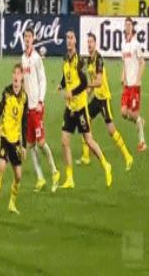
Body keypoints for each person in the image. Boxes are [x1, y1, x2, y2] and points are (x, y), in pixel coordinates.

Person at [58, 31, 112, 189]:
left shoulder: (79, 61)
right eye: (67, 38)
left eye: (71, 38)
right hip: (70, 108)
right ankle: (69, 178)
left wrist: (72, 92)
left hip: (81, 107)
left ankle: (106, 164)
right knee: (64, 141)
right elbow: (67, 76)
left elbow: (83, 83)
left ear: (75, 41)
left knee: (89, 140)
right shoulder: (65, 59)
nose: (69, 41)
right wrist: (61, 84)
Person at [83, 33, 134, 170]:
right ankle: (86, 156)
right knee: (85, 121)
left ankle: (128, 156)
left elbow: (99, 82)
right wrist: (86, 93)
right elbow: (93, 82)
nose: (89, 44)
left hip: (104, 100)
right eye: (88, 42)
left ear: (95, 44)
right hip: (96, 98)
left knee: (111, 131)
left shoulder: (99, 59)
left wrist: (85, 85)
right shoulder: (89, 61)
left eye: (91, 42)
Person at [21, 28, 60, 192]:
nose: (27, 39)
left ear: (33, 39)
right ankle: (40, 178)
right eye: (25, 36)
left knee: (41, 142)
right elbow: (24, 82)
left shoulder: (36, 58)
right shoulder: (23, 58)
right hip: (27, 108)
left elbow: (43, 80)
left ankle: (55, 172)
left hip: (36, 107)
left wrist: (41, 101)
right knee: (31, 144)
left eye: (29, 36)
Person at [0, 63, 28, 216]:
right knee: (1, 168)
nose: (15, 76)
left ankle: (12, 203)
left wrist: (24, 146)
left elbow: (24, 122)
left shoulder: (24, 97)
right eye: (14, 73)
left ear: (22, 77)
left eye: (18, 73)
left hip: (15, 141)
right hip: (5, 137)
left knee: (18, 175)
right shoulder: (7, 93)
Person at [121, 17, 147, 152]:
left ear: (132, 27)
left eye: (129, 25)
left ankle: (142, 142)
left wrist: (137, 80)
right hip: (127, 85)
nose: (127, 27)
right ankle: (140, 121)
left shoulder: (136, 44)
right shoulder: (123, 45)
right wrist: (123, 76)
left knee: (132, 113)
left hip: (135, 86)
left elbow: (142, 63)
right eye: (126, 25)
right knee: (123, 113)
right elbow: (124, 63)